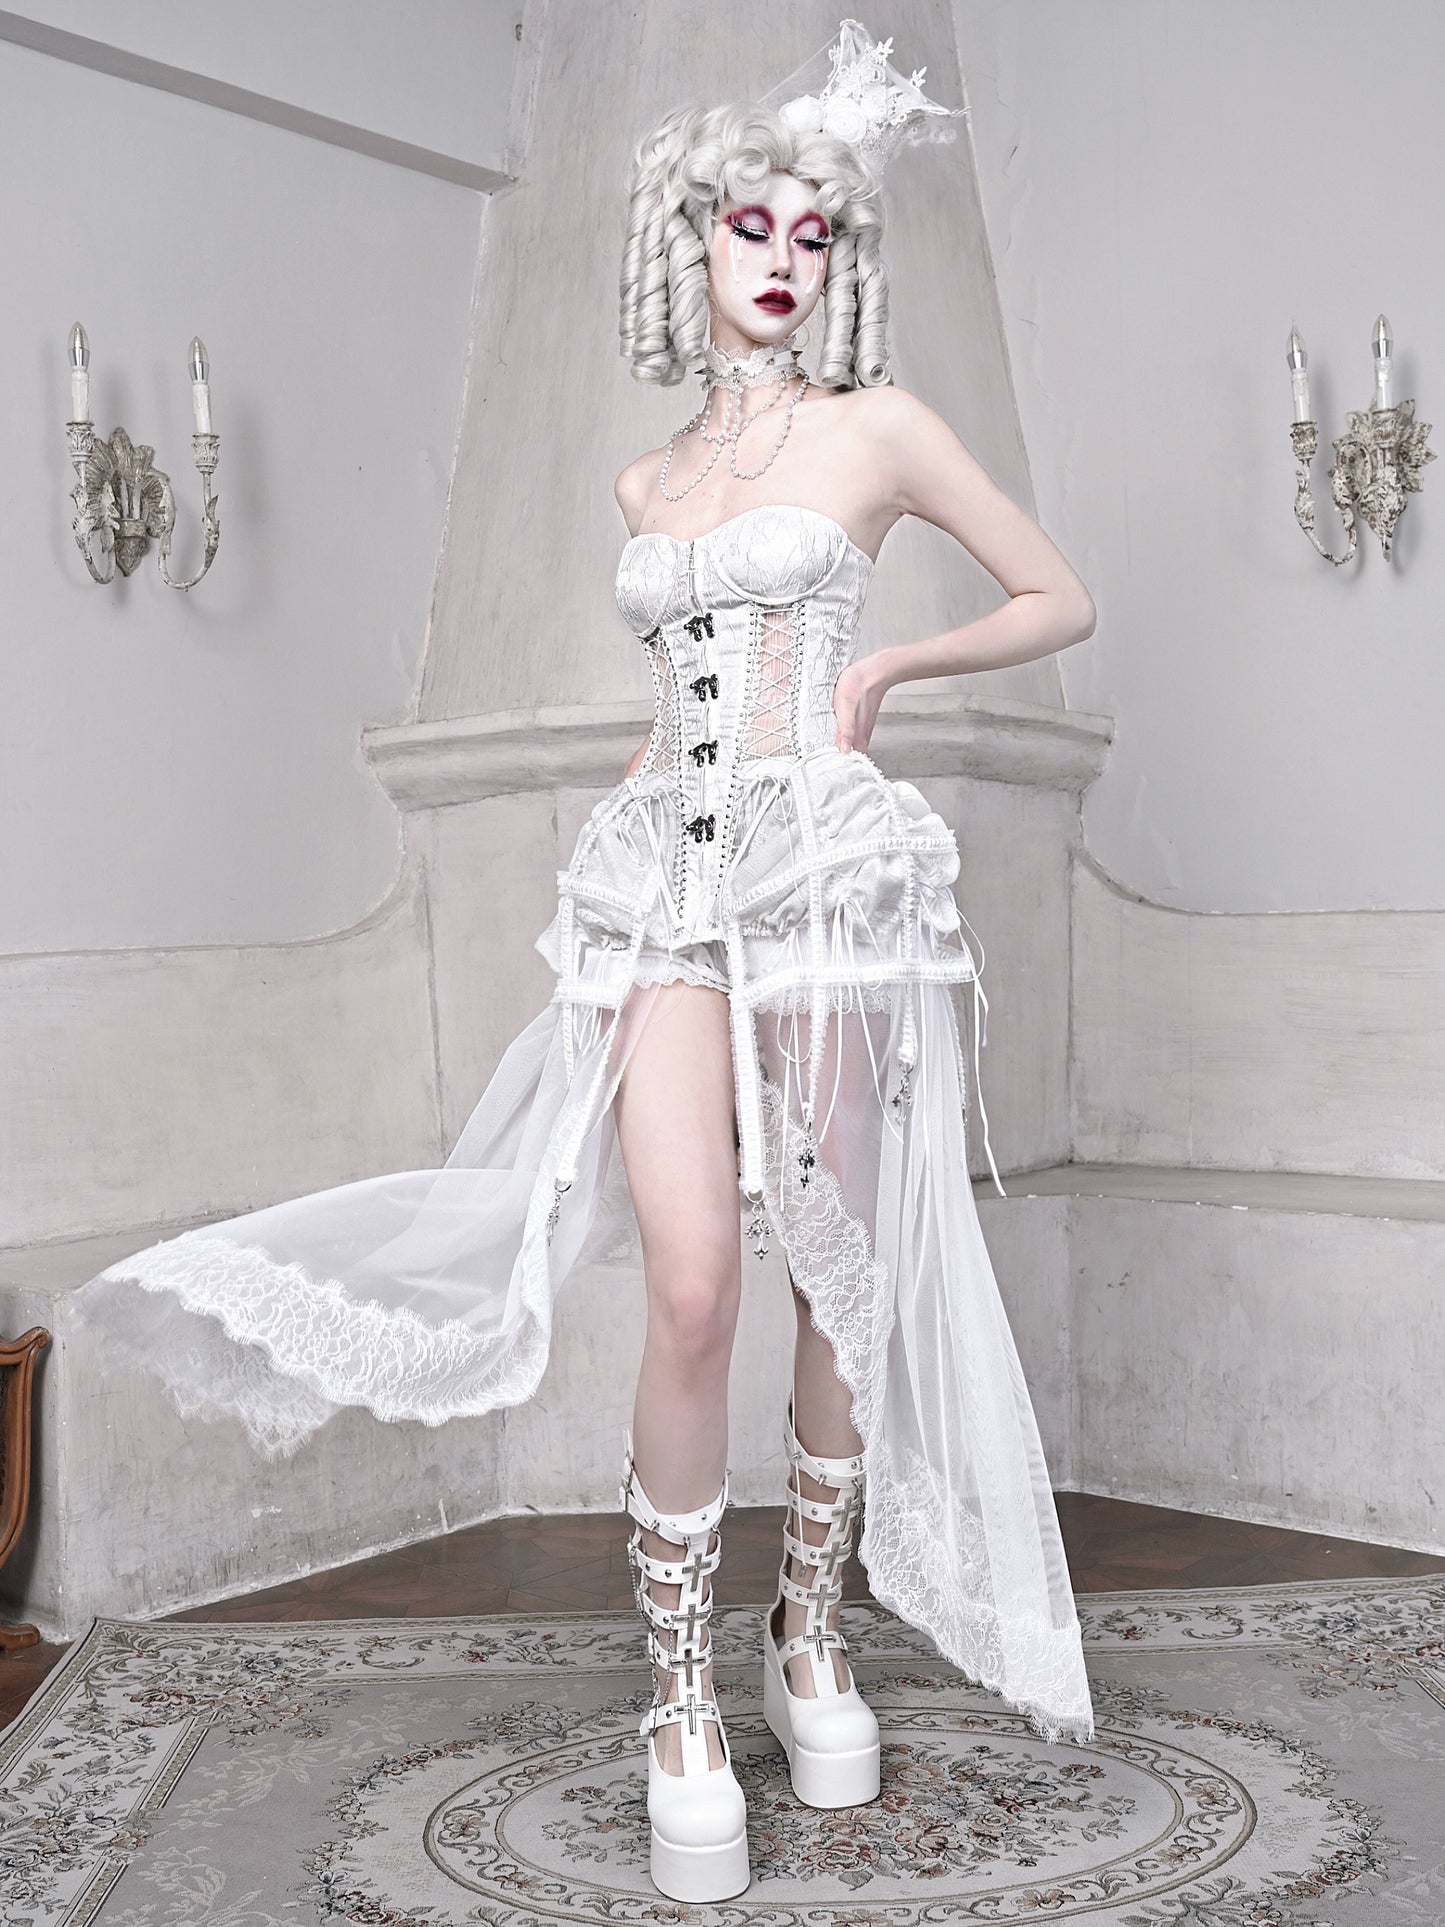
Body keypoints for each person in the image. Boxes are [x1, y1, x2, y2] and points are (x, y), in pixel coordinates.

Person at [75, 22, 1098, 1906]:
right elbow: (676, 695)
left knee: (842, 1276)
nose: (778, 258)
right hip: (664, 889)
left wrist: (886, 666)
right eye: (745, 226)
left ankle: (806, 1633)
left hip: (825, 881)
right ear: (685, 243)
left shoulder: (878, 428)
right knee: (691, 1285)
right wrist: (626, 817)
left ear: (837, 257)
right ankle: (679, 1698)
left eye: (809, 232)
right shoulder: (646, 483)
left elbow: (1059, 596)